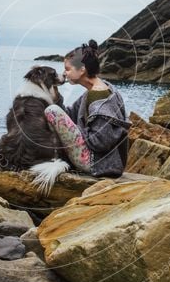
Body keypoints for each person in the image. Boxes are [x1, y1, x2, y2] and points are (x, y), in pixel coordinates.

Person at [42, 39, 132, 178]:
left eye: (67, 69)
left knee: (51, 111)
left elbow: (100, 142)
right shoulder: (94, 91)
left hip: (97, 164)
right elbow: (69, 115)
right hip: (103, 162)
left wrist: (77, 132)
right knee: (54, 109)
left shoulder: (99, 98)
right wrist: (56, 95)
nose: (64, 74)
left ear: (82, 69)